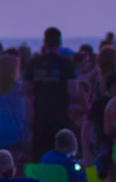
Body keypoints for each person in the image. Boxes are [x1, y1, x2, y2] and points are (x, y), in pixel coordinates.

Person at [25, 28, 77, 157]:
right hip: (60, 115)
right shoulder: (65, 63)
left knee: (39, 155)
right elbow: (73, 91)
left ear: (44, 42)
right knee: (61, 154)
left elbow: (25, 91)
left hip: (40, 115)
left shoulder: (34, 62)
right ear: (59, 42)